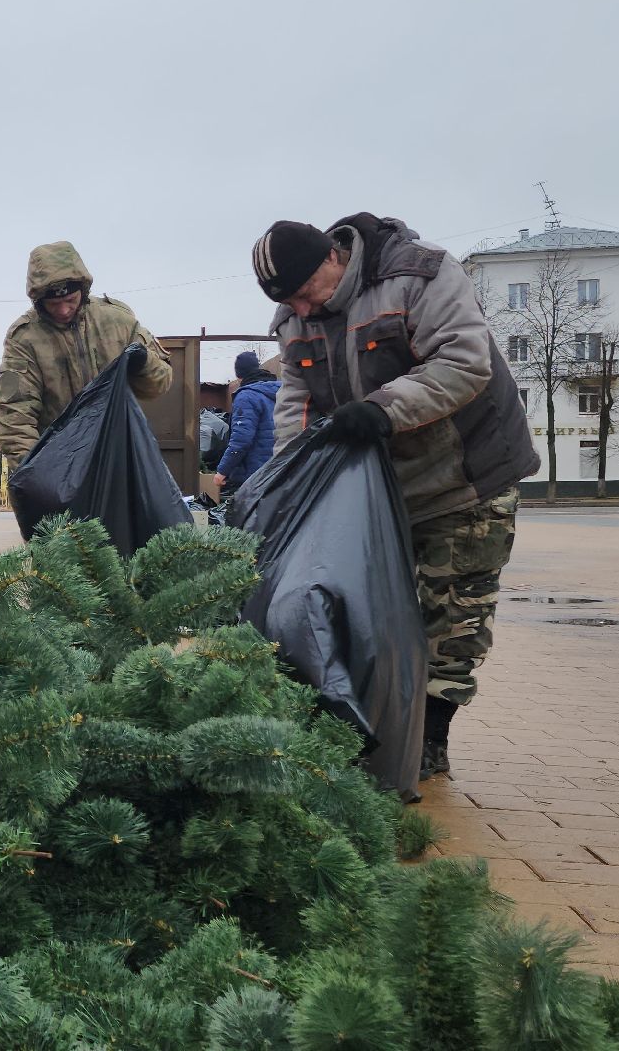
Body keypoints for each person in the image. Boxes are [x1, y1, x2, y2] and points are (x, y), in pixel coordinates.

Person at [252, 214, 539, 780]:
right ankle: (367, 730)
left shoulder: (419, 276)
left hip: (464, 475)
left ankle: (429, 740)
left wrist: (381, 410)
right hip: (378, 489)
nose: (302, 311)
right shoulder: (295, 316)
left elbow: (463, 362)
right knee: (362, 611)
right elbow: (297, 403)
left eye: (305, 294)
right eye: (289, 303)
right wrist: (293, 474)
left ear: (333, 258)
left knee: (452, 617)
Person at [0, 241, 173, 468]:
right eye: (54, 303)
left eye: (70, 300)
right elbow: (14, 415)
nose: (64, 310)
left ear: (83, 290)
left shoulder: (118, 321)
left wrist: (144, 363)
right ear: (39, 301)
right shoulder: (24, 338)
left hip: (119, 460)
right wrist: (37, 473)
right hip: (57, 463)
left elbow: (159, 384)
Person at [213, 350, 279, 498]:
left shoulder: (246, 396)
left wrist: (222, 471)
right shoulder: (280, 392)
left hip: (254, 476)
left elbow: (241, 440)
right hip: (279, 469)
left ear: (238, 374)